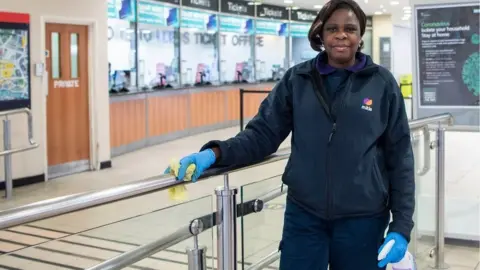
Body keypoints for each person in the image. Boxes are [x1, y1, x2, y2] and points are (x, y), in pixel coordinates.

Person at [165, 0, 415, 269]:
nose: (341, 35)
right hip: (305, 217)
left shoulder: (382, 84)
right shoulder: (298, 80)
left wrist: (401, 226)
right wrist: (215, 154)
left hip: (363, 221)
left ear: (360, 35)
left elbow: (400, 156)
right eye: (333, 28)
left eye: (350, 29)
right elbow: (262, 134)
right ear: (321, 34)